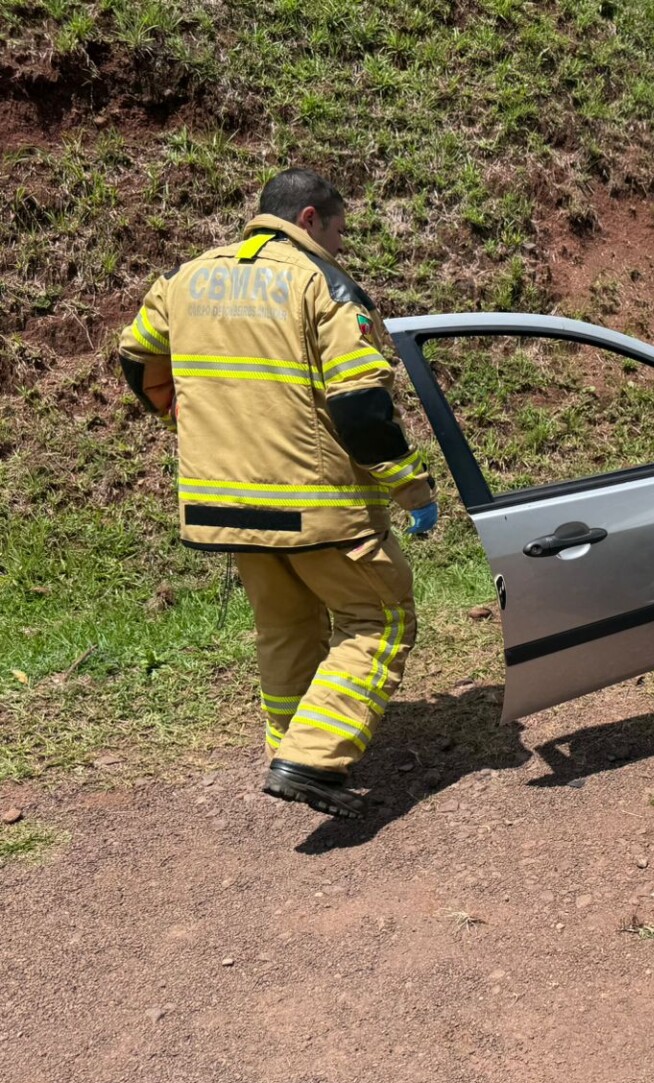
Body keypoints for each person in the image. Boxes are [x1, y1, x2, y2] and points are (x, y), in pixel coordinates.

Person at [117, 168, 438, 820]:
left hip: (221, 503)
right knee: (381, 620)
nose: (341, 245)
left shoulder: (185, 279)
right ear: (312, 219)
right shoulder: (323, 285)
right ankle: (314, 760)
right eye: (340, 231)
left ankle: (289, 752)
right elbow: (361, 410)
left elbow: (135, 354)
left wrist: (180, 412)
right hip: (314, 506)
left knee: (285, 625)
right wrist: (412, 489)